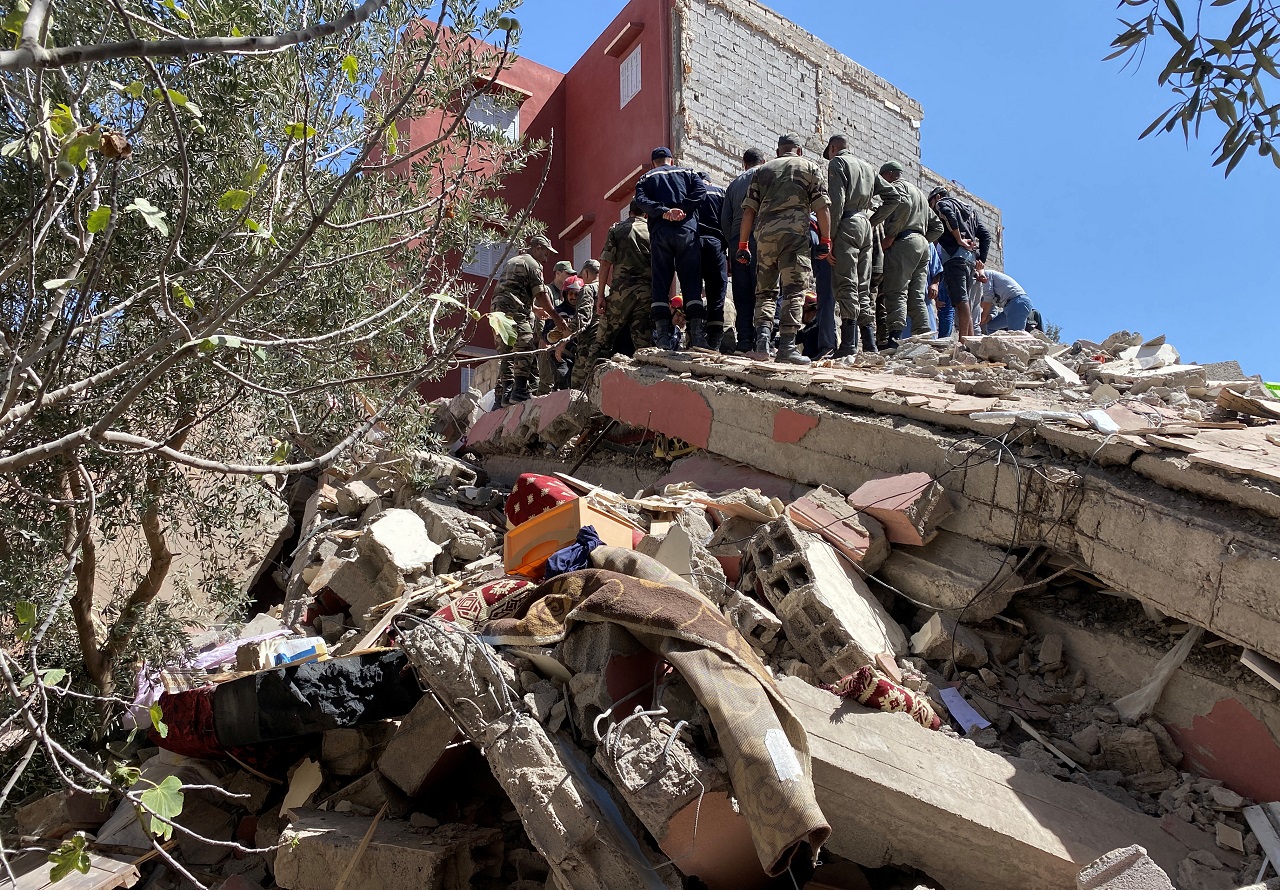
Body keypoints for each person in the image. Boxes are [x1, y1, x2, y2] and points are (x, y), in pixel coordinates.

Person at [737, 134, 832, 365]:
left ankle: (762, 344)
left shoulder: (763, 170)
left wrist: (742, 245)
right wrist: (826, 240)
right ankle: (787, 347)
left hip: (765, 237)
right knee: (794, 290)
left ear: (778, 151)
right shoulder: (810, 167)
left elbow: (748, 211)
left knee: (766, 292)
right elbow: (822, 207)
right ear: (798, 151)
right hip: (794, 236)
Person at [825, 134, 891, 357]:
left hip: (846, 223)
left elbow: (837, 203)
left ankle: (848, 345)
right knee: (863, 286)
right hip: (865, 225)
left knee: (846, 283)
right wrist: (873, 221)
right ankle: (870, 344)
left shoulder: (838, 163)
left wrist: (830, 239)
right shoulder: (868, 167)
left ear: (833, 148)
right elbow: (894, 196)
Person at [634, 147, 706, 349]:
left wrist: (664, 212)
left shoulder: (645, 178)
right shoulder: (688, 172)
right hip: (687, 231)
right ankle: (697, 336)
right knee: (691, 281)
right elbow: (700, 192)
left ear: (654, 163)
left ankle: (664, 337)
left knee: (661, 281)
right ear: (671, 161)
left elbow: (641, 201)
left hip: (661, 233)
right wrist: (683, 209)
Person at [574, 201, 653, 385]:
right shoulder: (653, 231)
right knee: (643, 345)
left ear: (630, 213)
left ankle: (587, 387)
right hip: (647, 293)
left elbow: (605, 263)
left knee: (602, 341)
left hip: (621, 293)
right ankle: (644, 387)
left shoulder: (617, 229)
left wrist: (600, 295)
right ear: (646, 214)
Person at [870, 160, 944, 349]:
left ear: (888, 175)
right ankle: (925, 336)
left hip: (904, 242)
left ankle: (894, 338)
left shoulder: (898, 187)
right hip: (922, 246)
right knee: (917, 295)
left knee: (896, 291)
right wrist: (922, 240)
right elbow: (938, 227)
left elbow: (901, 205)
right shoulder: (919, 194)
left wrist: (892, 235)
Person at [492, 232, 565, 406]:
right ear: (537, 248)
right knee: (524, 346)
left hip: (497, 311)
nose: (547, 258)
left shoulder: (513, 261)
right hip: (514, 311)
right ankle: (519, 391)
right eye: (546, 253)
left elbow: (511, 290)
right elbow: (540, 293)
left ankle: (506, 393)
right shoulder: (533, 264)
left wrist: (534, 309)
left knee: (506, 351)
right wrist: (556, 318)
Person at [928, 186, 991, 339]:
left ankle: (963, 342)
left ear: (937, 197)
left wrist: (958, 239)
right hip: (969, 261)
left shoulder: (942, 203)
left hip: (955, 258)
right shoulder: (970, 211)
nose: (932, 208)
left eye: (931, 203)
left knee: (961, 301)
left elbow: (948, 215)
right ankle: (969, 341)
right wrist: (980, 260)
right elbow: (985, 235)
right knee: (964, 302)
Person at [720, 147, 766, 353]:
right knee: (765, 289)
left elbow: (725, 220)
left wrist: (733, 244)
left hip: (738, 242)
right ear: (763, 161)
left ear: (744, 164)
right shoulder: (767, 176)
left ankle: (745, 340)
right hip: (762, 237)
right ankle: (764, 340)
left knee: (742, 291)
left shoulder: (734, 185)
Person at [695, 172, 729, 351]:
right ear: (709, 181)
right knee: (716, 291)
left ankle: (695, 336)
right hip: (716, 245)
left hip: (693, 245)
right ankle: (714, 341)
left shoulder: (691, 193)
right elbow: (728, 222)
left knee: (692, 290)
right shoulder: (720, 193)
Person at [536, 259, 577, 394]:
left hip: (565, 343)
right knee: (547, 375)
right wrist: (545, 338)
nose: (570, 276)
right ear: (558, 273)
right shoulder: (547, 290)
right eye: (567, 273)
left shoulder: (568, 293)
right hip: (548, 340)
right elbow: (542, 316)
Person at [978, 268, 1035, 333]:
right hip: (1009, 307)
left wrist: (983, 317)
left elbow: (988, 298)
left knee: (1016, 334)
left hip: (1018, 303)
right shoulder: (981, 292)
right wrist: (982, 321)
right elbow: (992, 312)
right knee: (991, 326)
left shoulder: (985, 275)